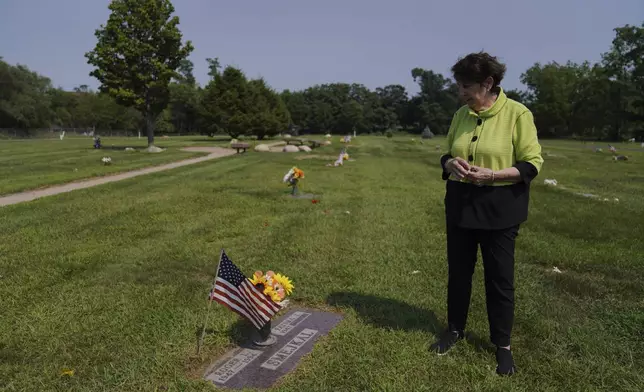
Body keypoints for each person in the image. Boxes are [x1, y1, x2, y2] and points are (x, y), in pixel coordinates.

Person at [431, 52, 544, 376]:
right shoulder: (461, 116)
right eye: (459, 85)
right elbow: (447, 153)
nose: (460, 92)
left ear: (488, 83)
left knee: (500, 280)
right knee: (459, 273)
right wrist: (449, 162)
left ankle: (503, 346)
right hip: (461, 206)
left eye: (466, 86)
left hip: (501, 211)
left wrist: (492, 176)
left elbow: (532, 162)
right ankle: (454, 329)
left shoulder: (517, 114)